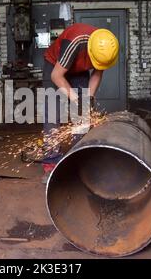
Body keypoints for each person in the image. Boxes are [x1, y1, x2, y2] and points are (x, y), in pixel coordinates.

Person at [41, 23, 119, 183]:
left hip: (79, 70)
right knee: (53, 113)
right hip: (54, 67)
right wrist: (75, 99)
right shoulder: (75, 41)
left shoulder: (105, 48)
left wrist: (87, 100)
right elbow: (57, 76)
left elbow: (97, 74)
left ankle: (79, 157)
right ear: (90, 50)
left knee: (82, 115)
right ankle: (51, 162)